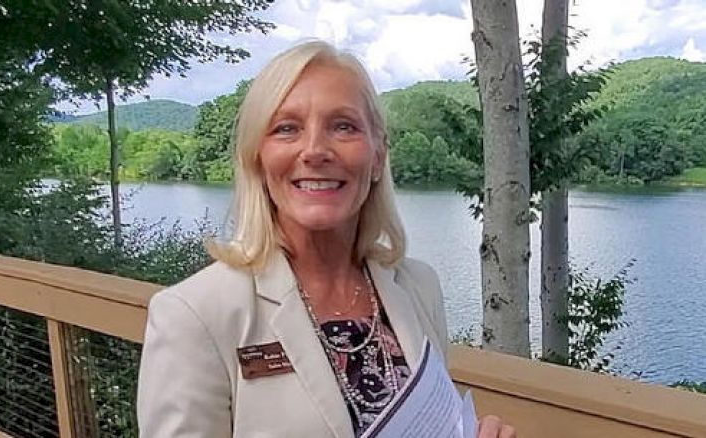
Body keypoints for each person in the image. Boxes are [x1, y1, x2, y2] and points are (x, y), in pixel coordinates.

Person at [136, 40, 515, 438]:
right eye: (287, 129)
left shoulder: (419, 286)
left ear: (377, 156)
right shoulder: (193, 314)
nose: (315, 150)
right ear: (257, 159)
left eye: (344, 126)